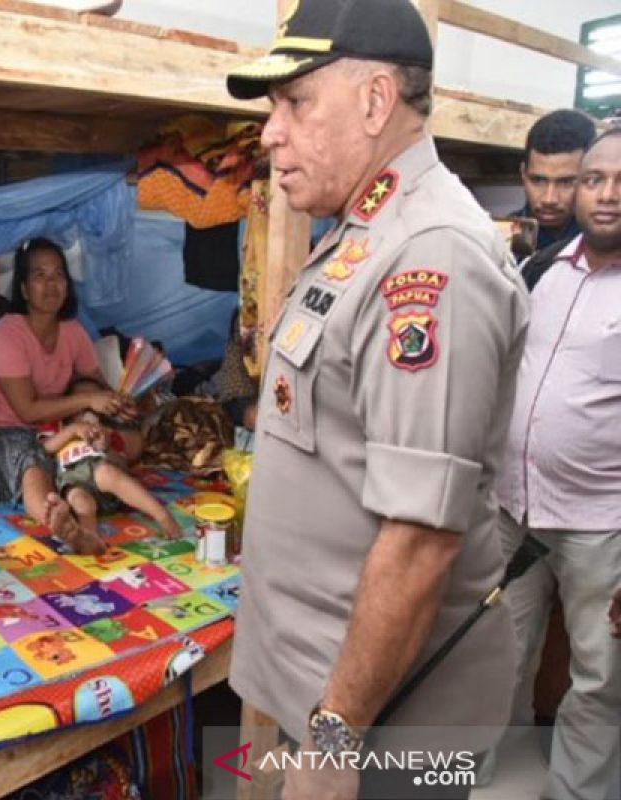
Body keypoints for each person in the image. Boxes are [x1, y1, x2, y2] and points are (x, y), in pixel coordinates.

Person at [224, 1, 529, 798]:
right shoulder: (362, 231)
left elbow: (421, 539)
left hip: (381, 721)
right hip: (334, 693)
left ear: (374, 100)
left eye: (294, 103)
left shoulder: (432, 260)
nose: (269, 132)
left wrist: (333, 741)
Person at [495, 129, 621, 800]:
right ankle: (487, 776)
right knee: (497, 654)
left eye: (619, 181)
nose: (605, 194)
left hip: (602, 525)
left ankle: (577, 792)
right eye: (594, 178)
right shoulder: (541, 270)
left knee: (601, 679)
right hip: (516, 509)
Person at [0, 238, 132, 554]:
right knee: (30, 460)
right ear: (22, 288)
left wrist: (122, 404)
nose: (51, 285)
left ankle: (80, 497)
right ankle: (57, 519)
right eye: (39, 276)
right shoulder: (7, 334)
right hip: (5, 432)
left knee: (112, 443)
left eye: (58, 275)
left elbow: (96, 386)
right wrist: (88, 402)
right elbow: (27, 411)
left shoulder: (72, 330)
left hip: (56, 430)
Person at [41, 378, 180, 547]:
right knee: (81, 501)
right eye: (83, 400)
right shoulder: (60, 427)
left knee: (107, 473)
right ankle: (88, 538)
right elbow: (45, 449)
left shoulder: (107, 432)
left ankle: (161, 515)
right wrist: (73, 430)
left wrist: (107, 447)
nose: (89, 407)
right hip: (73, 481)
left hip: (106, 483)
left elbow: (124, 461)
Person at [513, 109, 598, 253]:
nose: (549, 199)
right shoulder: (496, 239)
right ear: (523, 173)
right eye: (538, 180)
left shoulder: (607, 245)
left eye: (566, 182)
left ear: (592, 179)